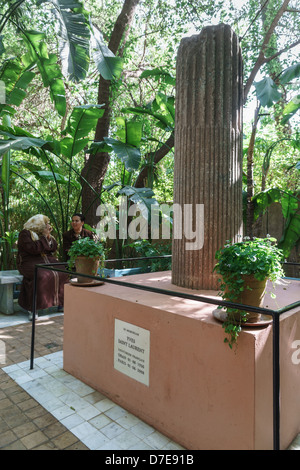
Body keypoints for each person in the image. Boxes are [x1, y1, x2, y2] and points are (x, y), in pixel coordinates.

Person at [17, 214, 69, 320]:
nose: (48, 226)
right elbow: (33, 249)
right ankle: (33, 308)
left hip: (46, 261)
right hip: (28, 262)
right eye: (45, 224)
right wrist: (44, 237)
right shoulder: (25, 233)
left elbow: (53, 247)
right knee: (41, 275)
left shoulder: (44, 234)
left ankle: (60, 303)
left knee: (63, 271)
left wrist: (48, 237)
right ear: (38, 224)